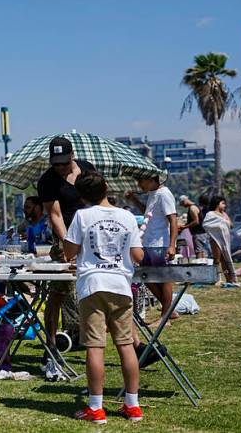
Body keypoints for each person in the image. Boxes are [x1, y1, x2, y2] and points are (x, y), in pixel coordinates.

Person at [63, 172, 145, 424]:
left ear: (82, 196)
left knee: (95, 346)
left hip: (92, 285)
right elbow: (138, 255)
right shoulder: (127, 216)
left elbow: (69, 252)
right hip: (120, 285)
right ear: (107, 188)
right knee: (126, 345)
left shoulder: (82, 216)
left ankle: (96, 408)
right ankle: (132, 405)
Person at [36, 137, 97, 352]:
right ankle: (51, 344)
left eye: (64, 162)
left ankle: (94, 338)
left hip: (92, 236)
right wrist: (67, 245)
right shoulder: (47, 181)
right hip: (65, 237)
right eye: (56, 163)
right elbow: (55, 216)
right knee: (58, 291)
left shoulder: (88, 169)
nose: (60, 167)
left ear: (72, 156)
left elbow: (98, 199)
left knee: (96, 288)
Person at [125, 176, 178, 321]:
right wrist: (134, 200)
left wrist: (172, 245)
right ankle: (169, 310)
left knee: (163, 277)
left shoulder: (164, 193)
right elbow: (148, 213)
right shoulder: (152, 194)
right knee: (146, 275)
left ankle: (165, 317)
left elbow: (173, 220)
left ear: (153, 180)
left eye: (141, 180)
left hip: (160, 242)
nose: (139, 184)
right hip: (149, 242)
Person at [201, 195, 238, 285]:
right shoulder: (210, 214)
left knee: (225, 260)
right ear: (217, 204)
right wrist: (221, 222)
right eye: (223, 203)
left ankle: (229, 278)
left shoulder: (224, 214)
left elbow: (231, 225)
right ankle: (216, 278)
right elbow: (206, 224)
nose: (225, 205)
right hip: (215, 239)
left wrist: (224, 219)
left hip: (225, 240)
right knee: (217, 259)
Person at [179, 195, 209, 259]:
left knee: (198, 251)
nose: (183, 206)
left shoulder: (192, 208)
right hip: (201, 232)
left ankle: (200, 265)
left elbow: (196, 221)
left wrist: (185, 227)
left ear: (185, 201)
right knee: (202, 251)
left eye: (182, 204)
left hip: (198, 233)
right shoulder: (195, 206)